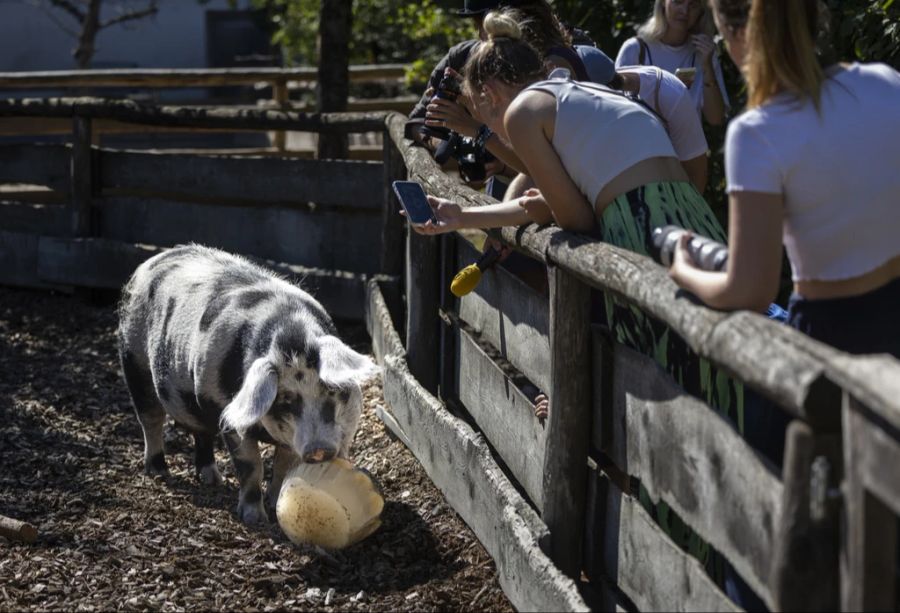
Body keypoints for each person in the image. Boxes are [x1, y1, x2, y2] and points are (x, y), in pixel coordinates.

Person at [410, 10, 728, 392]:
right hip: (693, 219)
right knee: (710, 367)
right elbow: (552, 202)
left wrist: (546, 205)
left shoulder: (522, 114)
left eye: (479, 114)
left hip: (640, 224)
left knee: (660, 374)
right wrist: (462, 215)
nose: (489, 127)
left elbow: (574, 219)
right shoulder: (577, 91)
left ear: (489, 95)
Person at [669, 0, 900, 359]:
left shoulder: (756, 132)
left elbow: (750, 290)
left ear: (738, 34)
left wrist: (683, 272)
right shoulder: (885, 81)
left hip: (834, 339)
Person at [615, 0, 729, 125]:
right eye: (678, 2)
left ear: (701, 12)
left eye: (693, 5)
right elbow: (615, 109)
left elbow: (716, 119)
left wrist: (707, 66)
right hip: (642, 142)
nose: (685, 11)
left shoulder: (705, 53)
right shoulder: (635, 49)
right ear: (663, 2)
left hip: (685, 143)